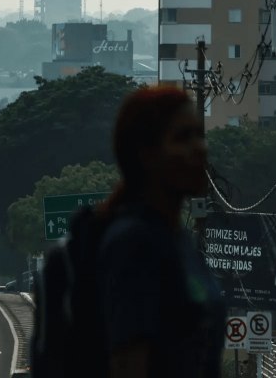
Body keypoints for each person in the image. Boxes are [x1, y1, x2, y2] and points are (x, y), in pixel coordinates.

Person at [96, 86, 225, 378]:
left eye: (200, 135)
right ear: (146, 155)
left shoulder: (178, 240)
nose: (199, 148)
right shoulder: (135, 244)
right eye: (182, 138)